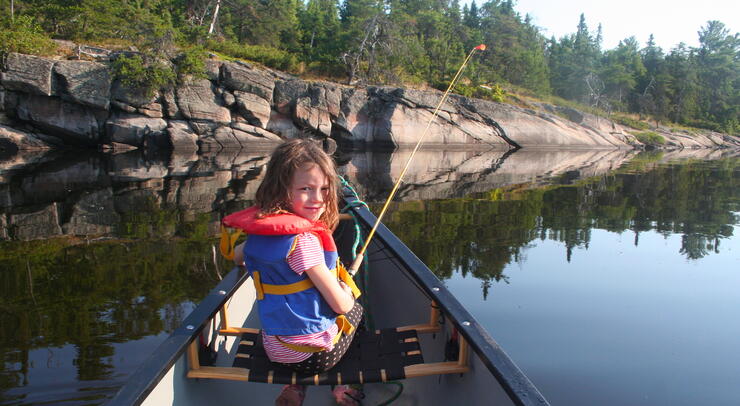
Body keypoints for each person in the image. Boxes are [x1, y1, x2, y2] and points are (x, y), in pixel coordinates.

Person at [225, 139, 363, 406]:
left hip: (274, 348)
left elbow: (237, 256)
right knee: (356, 311)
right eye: (306, 189)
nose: (319, 199)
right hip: (313, 359)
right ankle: (340, 385)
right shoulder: (305, 242)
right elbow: (340, 304)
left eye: (324, 189)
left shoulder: (258, 232)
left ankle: (294, 389)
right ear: (280, 190)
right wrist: (346, 291)